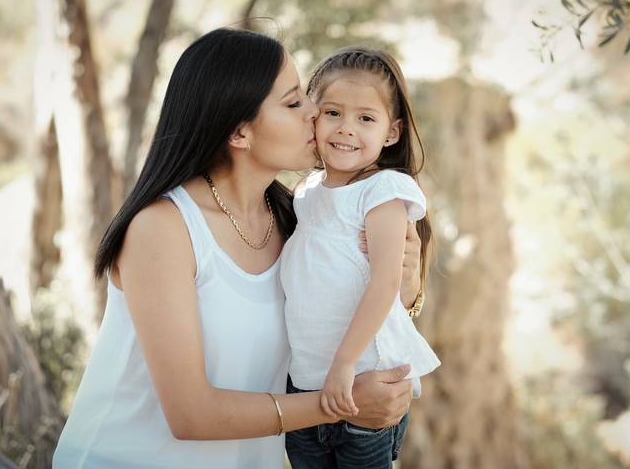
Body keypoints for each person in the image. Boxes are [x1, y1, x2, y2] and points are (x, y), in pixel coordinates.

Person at [52, 28, 424, 469]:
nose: (315, 113)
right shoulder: (164, 229)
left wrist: (408, 290)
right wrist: (341, 404)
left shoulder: (296, 220)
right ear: (240, 133)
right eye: (294, 103)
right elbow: (190, 415)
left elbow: (332, 315)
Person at [281, 47, 441, 469]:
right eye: (333, 112)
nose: (346, 129)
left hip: (360, 383)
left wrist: (344, 364)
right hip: (304, 391)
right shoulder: (305, 193)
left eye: (366, 118)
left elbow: (386, 282)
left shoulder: (384, 191)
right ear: (312, 114)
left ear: (392, 132)